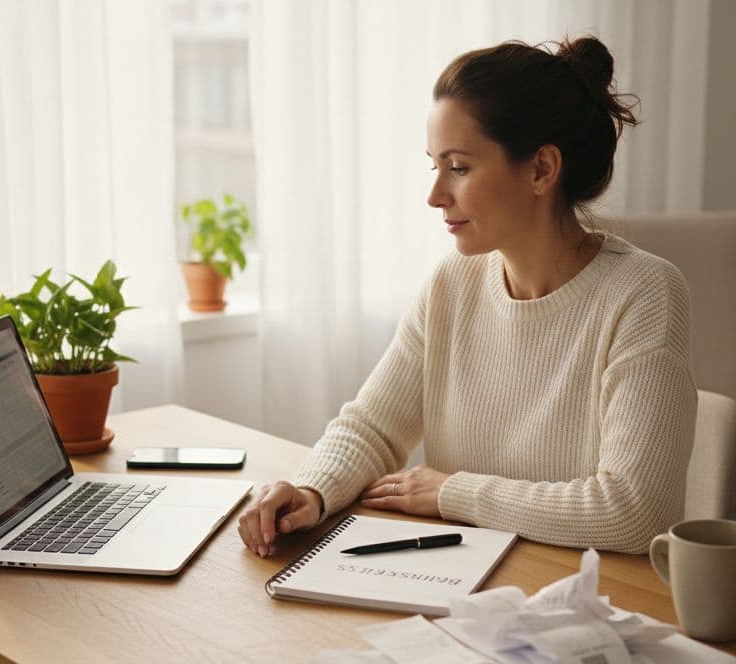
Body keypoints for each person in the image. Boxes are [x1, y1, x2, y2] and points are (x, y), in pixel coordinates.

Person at [238, 36, 696, 558]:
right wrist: (311, 491)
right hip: (461, 583)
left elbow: (634, 512)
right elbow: (373, 427)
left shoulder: (643, 293)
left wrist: (453, 492)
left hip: (585, 602)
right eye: (434, 165)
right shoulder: (452, 283)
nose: (435, 195)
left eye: (458, 167)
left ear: (541, 170)